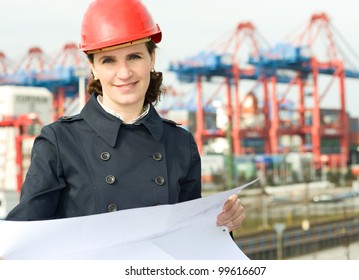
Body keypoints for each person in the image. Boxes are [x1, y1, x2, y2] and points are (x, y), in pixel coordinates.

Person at [6, 0, 245, 233]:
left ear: (151, 59)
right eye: (108, 60)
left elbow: (189, 235)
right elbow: (24, 234)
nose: (124, 72)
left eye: (134, 56)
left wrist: (220, 223)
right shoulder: (59, 142)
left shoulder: (180, 143)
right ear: (93, 68)